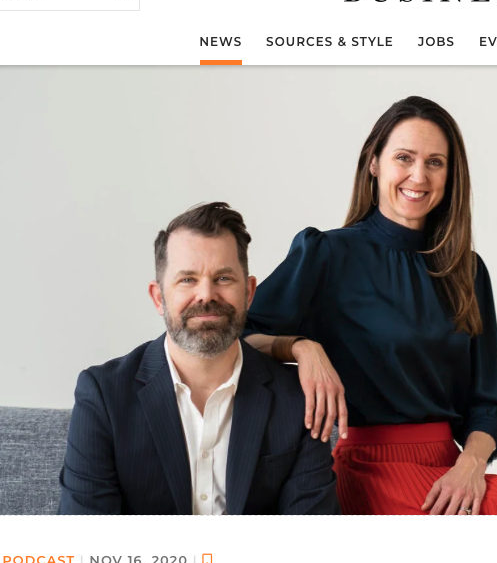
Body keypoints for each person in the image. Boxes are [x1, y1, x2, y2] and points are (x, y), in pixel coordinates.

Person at [244, 96, 497, 515]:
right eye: (404, 158)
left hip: (452, 473)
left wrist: (470, 465)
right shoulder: (327, 254)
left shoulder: (466, 271)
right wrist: (301, 347)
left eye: (435, 162)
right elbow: (239, 341)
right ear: (374, 163)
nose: (418, 175)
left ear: (450, 175)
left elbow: (489, 406)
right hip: (366, 471)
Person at [58, 202, 339, 515]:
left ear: (249, 293)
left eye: (223, 278)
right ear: (158, 297)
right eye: (187, 279)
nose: (206, 295)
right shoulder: (104, 395)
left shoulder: (297, 400)